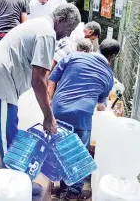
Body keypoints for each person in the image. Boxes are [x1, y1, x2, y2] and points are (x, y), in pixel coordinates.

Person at [0, 3, 80, 199]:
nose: (67, 34)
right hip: (0, 83)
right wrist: (49, 117)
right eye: (69, 29)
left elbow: (38, 77)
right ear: (61, 20)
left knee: (7, 133)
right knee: (8, 138)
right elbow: (38, 80)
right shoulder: (47, 33)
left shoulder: (40, 25)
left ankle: (16, 185)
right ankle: (11, 192)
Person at [48, 39, 120, 200]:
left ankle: (59, 186)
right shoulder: (108, 75)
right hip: (81, 116)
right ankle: (73, 193)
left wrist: (50, 99)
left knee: (61, 147)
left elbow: (52, 78)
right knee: (78, 153)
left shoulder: (74, 56)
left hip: (58, 110)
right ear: (112, 57)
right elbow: (101, 105)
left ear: (99, 47)